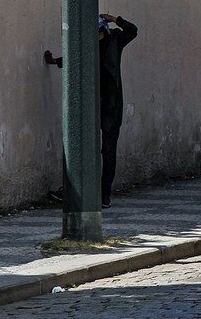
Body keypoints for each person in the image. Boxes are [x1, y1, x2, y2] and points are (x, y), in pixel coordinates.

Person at [45, 14, 138, 209]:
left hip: (111, 106)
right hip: (92, 104)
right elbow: (73, 59)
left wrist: (115, 19)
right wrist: (53, 61)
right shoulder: (87, 47)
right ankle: (76, 190)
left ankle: (104, 195)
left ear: (102, 30)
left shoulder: (115, 41)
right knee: (84, 147)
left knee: (108, 150)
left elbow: (133, 31)